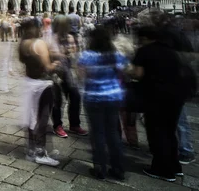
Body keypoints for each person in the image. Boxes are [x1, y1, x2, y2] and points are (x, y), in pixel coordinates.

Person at [133, 24, 185, 182]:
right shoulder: (171, 51)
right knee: (170, 132)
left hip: (156, 96)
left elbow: (137, 74)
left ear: (144, 38)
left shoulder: (145, 51)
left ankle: (162, 169)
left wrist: (127, 69)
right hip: (176, 96)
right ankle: (175, 167)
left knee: (157, 132)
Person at [77, 27, 126, 181]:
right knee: (113, 133)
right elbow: (123, 73)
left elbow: (80, 76)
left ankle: (100, 168)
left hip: (93, 98)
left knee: (97, 132)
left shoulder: (86, 56)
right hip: (113, 97)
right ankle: (118, 169)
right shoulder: (116, 55)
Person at [19, 19, 61, 166]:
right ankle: (40, 152)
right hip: (43, 85)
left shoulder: (23, 44)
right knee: (42, 118)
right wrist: (56, 63)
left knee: (31, 117)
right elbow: (48, 67)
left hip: (29, 83)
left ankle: (31, 150)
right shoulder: (39, 43)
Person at [50, 16, 87, 138]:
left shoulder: (70, 37)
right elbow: (48, 52)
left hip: (69, 72)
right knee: (58, 101)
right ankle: (57, 125)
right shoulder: (51, 38)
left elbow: (75, 53)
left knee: (75, 96)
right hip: (56, 73)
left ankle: (74, 124)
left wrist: (73, 52)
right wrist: (61, 53)